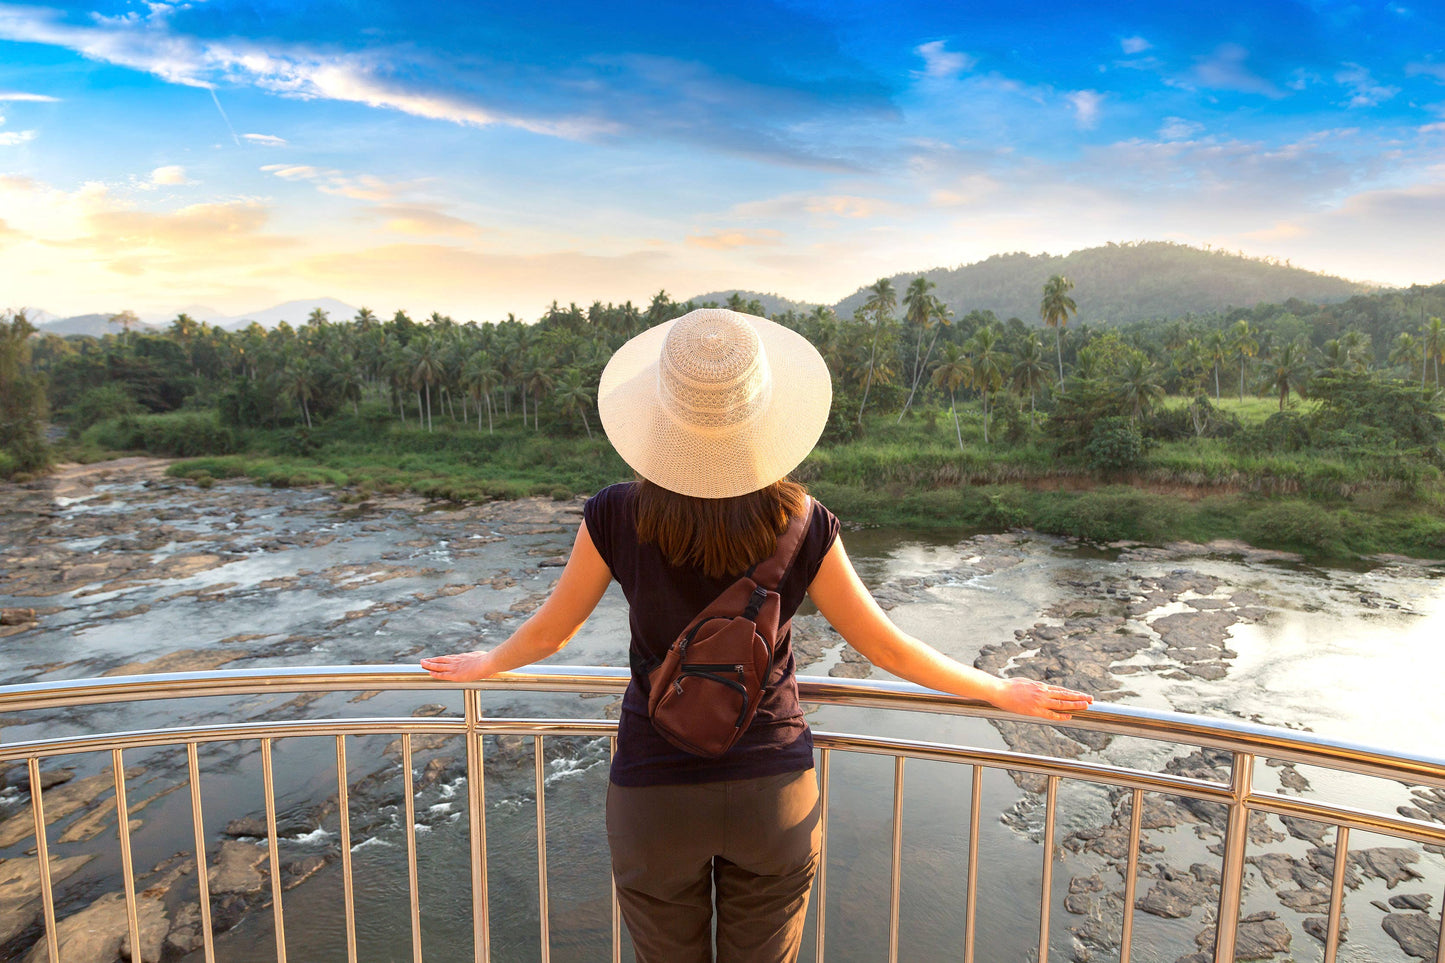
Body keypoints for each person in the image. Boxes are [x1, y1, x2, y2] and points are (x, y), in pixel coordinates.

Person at [421, 308, 1091, 962]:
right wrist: (998, 688)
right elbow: (884, 647)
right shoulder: (802, 520)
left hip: (653, 791)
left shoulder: (615, 513)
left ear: (657, 415)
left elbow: (551, 634)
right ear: (765, 416)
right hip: (772, 792)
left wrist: (488, 661)